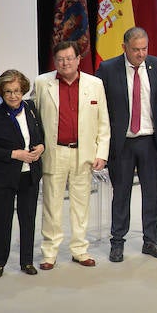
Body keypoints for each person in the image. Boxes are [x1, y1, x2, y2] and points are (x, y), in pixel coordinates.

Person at [34, 41, 110, 269]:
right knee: (52, 204)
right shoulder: (41, 83)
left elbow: (103, 122)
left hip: (83, 153)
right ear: (55, 61)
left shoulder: (95, 84)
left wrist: (101, 153)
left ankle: (79, 250)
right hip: (54, 152)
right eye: (60, 59)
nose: (65, 63)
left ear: (78, 59)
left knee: (80, 205)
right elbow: (34, 119)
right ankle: (49, 252)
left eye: (69, 58)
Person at [96, 26, 157, 262]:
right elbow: (99, 108)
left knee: (152, 192)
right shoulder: (108, 69)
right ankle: (117, 242)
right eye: (136, 49)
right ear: (124, 47)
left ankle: (151, 240)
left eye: (144, 49)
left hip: (148, 140)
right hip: (122, 143)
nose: (141, 54)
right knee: (121, 193)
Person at [0, 70, 44, 278]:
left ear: (23, 90)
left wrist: (41, 146)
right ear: (1, 92)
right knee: (3, 220)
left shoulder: (32, 109)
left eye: (17, 91)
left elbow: (40, 133)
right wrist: (15, 154)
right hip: (4, 177)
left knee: (28, 219)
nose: (13, 96)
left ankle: (27, 261)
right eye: (8, 91)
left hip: (30, 175)